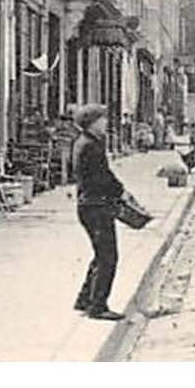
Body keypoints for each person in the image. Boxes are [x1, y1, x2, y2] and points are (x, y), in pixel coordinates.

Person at [71, 103, 127, 320]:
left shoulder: (83, 142)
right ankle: (98, 306)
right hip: (97, 205)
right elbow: (102, 177)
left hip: (87, 204)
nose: (106, 122)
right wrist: (119, 190)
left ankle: (84, 299)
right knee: (108, 257)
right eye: (102, 119)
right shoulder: (92, 146)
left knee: (100, 254)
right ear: (93, 122)